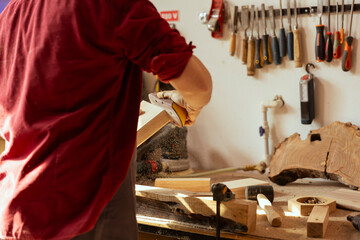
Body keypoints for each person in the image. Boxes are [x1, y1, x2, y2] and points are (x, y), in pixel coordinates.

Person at [0, 0, 212, 239]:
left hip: (17, 211)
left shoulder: (12, 13)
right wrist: (190, 104)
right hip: (83, 213)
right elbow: (200, 87)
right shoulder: (112, 5)